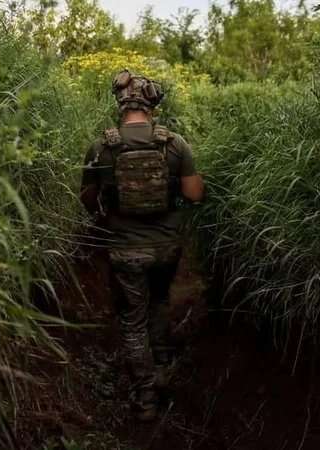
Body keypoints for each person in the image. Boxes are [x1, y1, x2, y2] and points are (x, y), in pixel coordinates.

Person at [80, 69, 205, 421]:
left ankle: (145, 397)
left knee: (132, 322)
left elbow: (87, 201)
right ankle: (163, 364)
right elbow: (195, 195)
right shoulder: (174, 144)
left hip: (124, 251)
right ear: (151, 104)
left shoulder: (102, 147)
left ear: (121, 104)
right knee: (161, 299)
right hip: (166, 247)